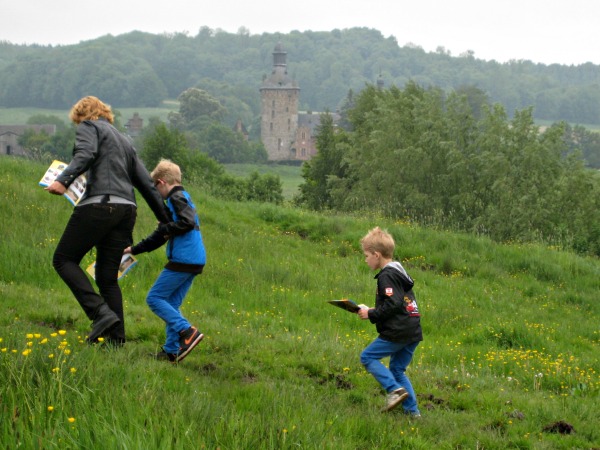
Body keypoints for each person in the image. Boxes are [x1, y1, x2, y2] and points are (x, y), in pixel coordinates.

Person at [46, 96, 170, 346]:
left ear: (82, 115)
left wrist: (63, 180)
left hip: (100, 206)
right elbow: (146, 183)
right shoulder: (125, 141)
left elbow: (87, 153)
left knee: (63, 259)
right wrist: (165, 221)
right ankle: (116, 341)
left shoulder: (88, 127)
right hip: (127, 211)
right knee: (106, 277)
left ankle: (99, 313)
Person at [124, 159, 205, 363]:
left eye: (155, 188)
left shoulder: (176, 197)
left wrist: (166, 228)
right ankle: (171, 350)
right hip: (194, 259)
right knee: (171, 304)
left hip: (183, 259)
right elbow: (162, 236)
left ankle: (187, 332)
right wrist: (134, 249)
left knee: (155, 298)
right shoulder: (183, 197)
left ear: (161, 183)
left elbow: (185, 223)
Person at [357, 227, 423, 416]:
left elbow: (393, 303)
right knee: (397, 369)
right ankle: (413, 413)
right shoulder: (399, 271)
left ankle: (395, 390)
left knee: (367, 357)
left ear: (377, 255)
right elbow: (397, 303)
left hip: (398, 331)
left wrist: (371, 314)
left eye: (367, 255)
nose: (365, 259)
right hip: (413, 330)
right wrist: (371, 309)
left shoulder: (386, 275)